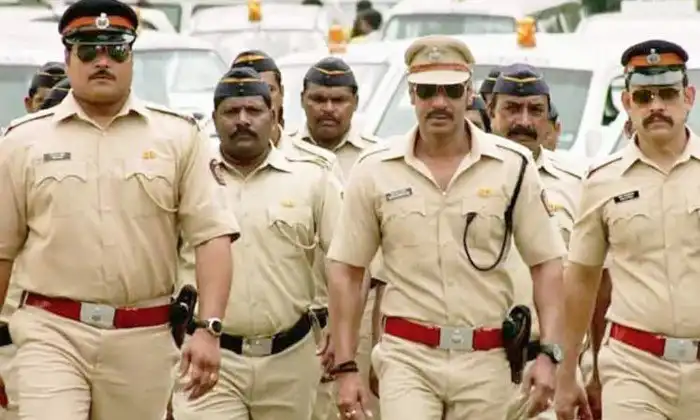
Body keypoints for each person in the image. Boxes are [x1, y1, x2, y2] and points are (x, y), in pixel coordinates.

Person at [0, 0, 240, 418]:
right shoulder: (23, 141)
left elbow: (212, 235)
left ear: (132, 58)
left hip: (143, 337)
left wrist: (209, 328)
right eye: (88, 50)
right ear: (68, 58)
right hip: (51, 331)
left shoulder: (177, 137)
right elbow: (2, 251)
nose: (102, 61)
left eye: (116, 49)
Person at [326, 35, 566, 420]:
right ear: (411, 94)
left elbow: (547, 264)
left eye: (452, 91)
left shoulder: (513, 166)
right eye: (427, 91)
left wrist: (550, 353)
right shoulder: (374, 169)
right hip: (408, 356)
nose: (439, 102)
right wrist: (346, 366)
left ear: (469, 93)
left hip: (487, 359)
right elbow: (347, 270)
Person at [172, 66, 343, 420]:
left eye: (253, 110)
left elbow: (343, 259)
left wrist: (340, 329)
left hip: (290, 358)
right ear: (214, 119)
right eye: (231, 112)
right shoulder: (190, 175)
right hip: (208, 353)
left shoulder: (312, 175)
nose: (243, 120)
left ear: (274, 116)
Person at [555, 39, 700, 420]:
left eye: (667, 94)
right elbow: (581, 279)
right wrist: (567, 372)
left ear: (688, 97)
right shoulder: (602, 181)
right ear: (626, 103)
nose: (656, 106)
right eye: (643, 97)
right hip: (635, 367)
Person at [486, 63, 591, 420]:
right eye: (512, 109)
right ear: (491, 112)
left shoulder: (578, 184)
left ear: (549, 118)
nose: (524, 121)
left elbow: (593, 277)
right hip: (476, 361)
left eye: (535, 110)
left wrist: (580, 364)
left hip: (547, 361)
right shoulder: (458, 177)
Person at [288, 56, 383, 420]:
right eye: (318, 99)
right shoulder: (285, 155)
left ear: (355, 102)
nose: (328, 108)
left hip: (361, 308)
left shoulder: (376, 159)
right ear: (302, 100)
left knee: (354, 408)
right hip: (297, 312)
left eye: (338, 100)